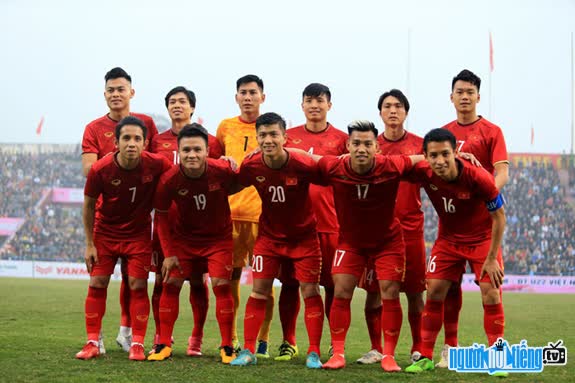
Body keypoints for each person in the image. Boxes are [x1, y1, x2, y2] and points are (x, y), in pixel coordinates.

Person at [309, 120, 423, 371]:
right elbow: (303, 158)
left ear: (377, 147)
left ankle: (389, 356)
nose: (362, 148)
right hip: (351, 242)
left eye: (368, 143)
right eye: (357, 143)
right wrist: (270, 151)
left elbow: (422, 158)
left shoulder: (391, 166)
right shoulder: (334, 166)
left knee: (390, 293)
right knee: (341, 291)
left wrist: (458, 155)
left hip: (388, 242)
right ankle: (338, 353)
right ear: (348, 145)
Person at [404, 128, 506, 374]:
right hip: (448, 240)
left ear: (456, 153)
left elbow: (499, 218)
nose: (440, 161)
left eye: (445, 154)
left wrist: (492, 259)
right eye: (433, 155)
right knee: (435, 290)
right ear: (425, 156)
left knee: (490, 293)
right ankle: (425, 357)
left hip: (481, 239)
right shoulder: (423, 171)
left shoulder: (478, 177)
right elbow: (394, 165)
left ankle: (499, 357)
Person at [230, 112, 325, 369]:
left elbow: (333, 175)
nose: (268, 140)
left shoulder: (303, 163)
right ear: (258, 138)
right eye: (263, 135)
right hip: (269, 239)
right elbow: (232, 184)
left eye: (273, 134)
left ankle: (313, 352)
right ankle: (248, 350)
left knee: (310, 291)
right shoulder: (251, 165)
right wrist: (222, 165)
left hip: (304, 239)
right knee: (259, 291)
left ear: (285, 137)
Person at [76, 116, 172, 361]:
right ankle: (91, 342)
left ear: (145, 142)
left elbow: (181, 174)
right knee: (97, 283)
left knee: (137, 286)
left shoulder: (157, 164)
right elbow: (87, 206)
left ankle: (137, 343)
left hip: (139, 234)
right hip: (105, 233)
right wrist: (89, 244)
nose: (132, 143)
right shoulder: (100, 169)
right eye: (126, 138)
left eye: (137, 139)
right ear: (116, 142)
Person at [81, 67, 158, 353]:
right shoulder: (93, 128)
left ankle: (129, 334)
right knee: (99, 279)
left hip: (139, 221)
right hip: (106, 219)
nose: (116, 94)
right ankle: (94, 339)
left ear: (131, 92)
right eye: (111, 90)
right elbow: (90, 170)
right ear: (105, 95)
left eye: (121, 89)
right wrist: (118, 165)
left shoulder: (146, 122)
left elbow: (159, 161)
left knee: (135, 281)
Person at [147, 124, 240, 363]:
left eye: (197, 149)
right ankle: (163, 344)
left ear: (207, 150)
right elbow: (161, 216)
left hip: (218, 239)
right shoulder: (169, 180)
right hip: (183, 240)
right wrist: (168, 253)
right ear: (178, 151)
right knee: (171, 283)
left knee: (221, 285)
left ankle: (227, 346)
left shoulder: (222, 171)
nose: (192, 155)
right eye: (186, 150)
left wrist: (238, 162)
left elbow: (246, 179)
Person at [436, 69, 509, 368]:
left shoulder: (492, 132)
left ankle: (498, 354)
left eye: (470, 92)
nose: (465, 96)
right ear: (451, 97)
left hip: (482, 227)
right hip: (451, 228)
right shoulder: (442, 134)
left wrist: (486, 188)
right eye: (459, 92)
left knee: (490, 289)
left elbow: (502, 171)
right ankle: (449, 349)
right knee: (445, 288)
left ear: (478, 96)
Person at [148, 86, 223, 356]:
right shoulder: (156, 140)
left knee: (198, 281)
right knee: (163, 280)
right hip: (167, 223)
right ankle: (161, 337)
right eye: (172, 101)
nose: (177, 105)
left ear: (192, 107)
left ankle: (197, 338)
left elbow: (219, 176)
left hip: (200, 223)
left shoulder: (211, 142)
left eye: (182, 101)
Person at [276, 83, 347, 361]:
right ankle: (288, 341)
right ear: (302, 105)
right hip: (292, 225)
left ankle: (333, 344)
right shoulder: (288, 138)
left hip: (330, 222)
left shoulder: (342, 139)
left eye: (320, 100)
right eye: (309, 100)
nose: (314, 105)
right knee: (290, 284)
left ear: (330, 105)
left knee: (332, 286)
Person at [356, 89, 426, 365]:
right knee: (374, 294)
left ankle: (418, 348)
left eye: (398, 106)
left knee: (414, 292)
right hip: (376, 231)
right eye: (387, 106)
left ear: (406, 112)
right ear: (380, 113)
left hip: (410, 229)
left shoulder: (421, 145)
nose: (393, 110)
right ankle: (377, 348)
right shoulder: (370, 145)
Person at [216, 75, 274, 357]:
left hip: (262, 217)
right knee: (230, 279)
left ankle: (263, 340)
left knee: (264, 281)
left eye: (253, 92)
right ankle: (233, 337)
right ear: (236, 97)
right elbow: (214, 162)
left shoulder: (270, 128)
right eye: (243, 92)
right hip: (228, 216)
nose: (248, 97)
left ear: (263, 97)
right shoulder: (225, 127)